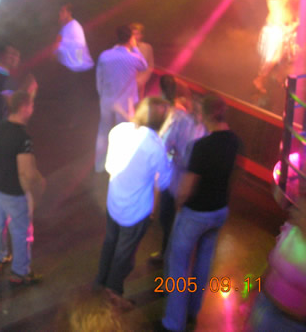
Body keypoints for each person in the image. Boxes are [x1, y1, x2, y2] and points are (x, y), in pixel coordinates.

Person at [161, 94, 241, 331]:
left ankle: (173, 322)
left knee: (178, 266)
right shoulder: (235, 141)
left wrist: (179, 204)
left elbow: (187, 186)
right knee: (204, 262)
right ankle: (193, 311)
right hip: (219, 210)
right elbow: (235, 175)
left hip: (196, 213)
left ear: (205, 115)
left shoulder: (202, 146)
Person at [93, 97, 172, 295]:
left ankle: (100, 283)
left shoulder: (119, 131)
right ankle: (112, 296)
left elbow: (109, 166)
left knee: (110, 243)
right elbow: (164, 182)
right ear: (160, 122)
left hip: (114, 203)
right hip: (135, 212)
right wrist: (169, 160)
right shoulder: (156, 147)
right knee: (123, 256)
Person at [0, 91, 45, 285]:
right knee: (21, 232)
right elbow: (26, 173)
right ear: (23, 107)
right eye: (31, 105)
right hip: (15, 193)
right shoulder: (22, 137)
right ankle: (20, 272)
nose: (32, 109)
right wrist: (31, 194)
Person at [149, 76, 207, 263]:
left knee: (168, 218)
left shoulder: (177, 118)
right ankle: (177, 257)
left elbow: (164, 145)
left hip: (177, 179)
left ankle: (167, 257)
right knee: (184, 223)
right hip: (196, 181)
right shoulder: (202, 124)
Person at [247, 194, 306, 331]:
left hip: (293, 323)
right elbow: (274, 263)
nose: (295, 207)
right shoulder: (292, 230)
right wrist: (258, 288)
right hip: (265, 306)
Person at [94, 25, 148, 172]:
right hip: (125, 104)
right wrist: (135, 47)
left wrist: (102, 95)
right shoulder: (133, 58)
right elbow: (144, 65)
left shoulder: (104, 56)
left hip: (107, 100)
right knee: (123, 135)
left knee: (103, 132)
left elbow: (99, 79)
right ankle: (120, 167)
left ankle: (99, 166)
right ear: (131, 38)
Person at [54, 4, 94, 72]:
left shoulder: (74, 26)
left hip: (80, 70)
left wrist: (78, 63)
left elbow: (79, 47)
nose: (60, 13)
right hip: (74, 69)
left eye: (63, 11)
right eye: (60, 11)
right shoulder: (65, 27)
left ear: (69, 13)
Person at [130, 23, 154, 99]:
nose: (135, 36)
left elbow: (150, 66)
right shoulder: (124, 47)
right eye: (133, 34)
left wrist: (141, 81)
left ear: (141, 35)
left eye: (137, 34)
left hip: (140, 84)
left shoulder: (147, 47)